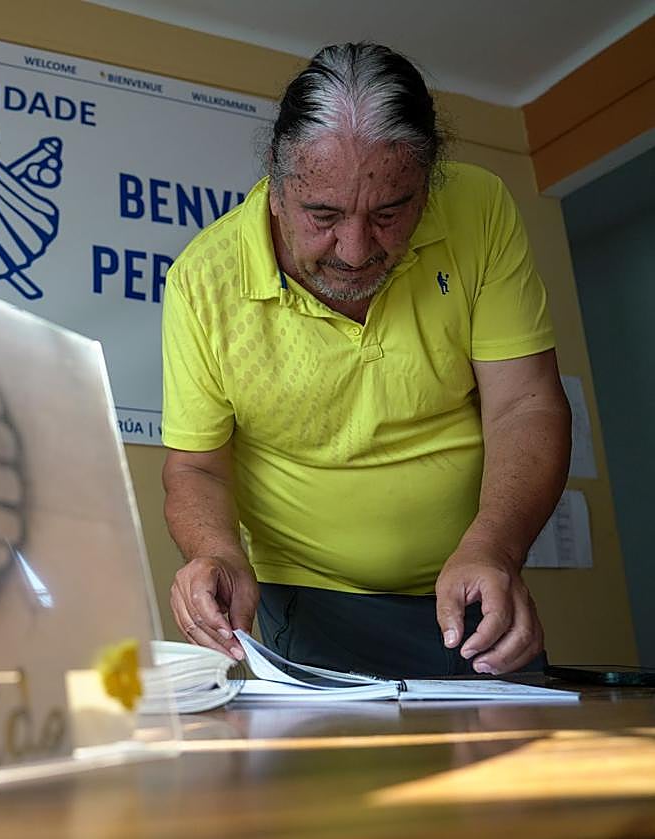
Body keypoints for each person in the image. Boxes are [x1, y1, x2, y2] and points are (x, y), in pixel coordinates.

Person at [161, 42, 572, 678]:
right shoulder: (201, 281)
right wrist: (216, 552)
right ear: (276, 182)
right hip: (307, 598)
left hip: (471, 579)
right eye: (323, 214)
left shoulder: (480, 209)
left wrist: (494, 547)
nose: (354, 251)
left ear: (428, 183)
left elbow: (526, 403)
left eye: (389, 213)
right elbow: (196, 467)